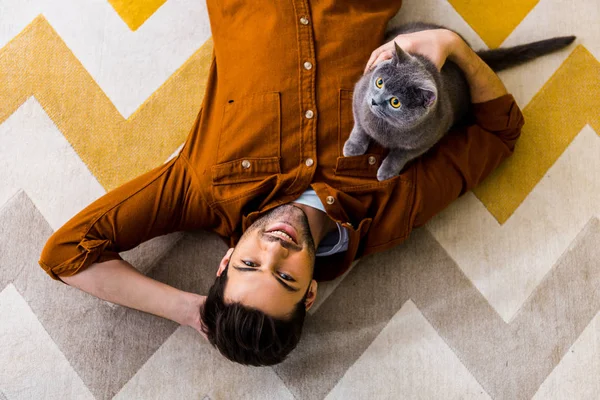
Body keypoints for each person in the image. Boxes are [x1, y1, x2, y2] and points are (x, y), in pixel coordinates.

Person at [39, 0, 524, 366]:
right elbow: (500, 131)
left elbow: (67, 252)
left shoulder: (202, 192)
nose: (275, 249)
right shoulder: (389, 210)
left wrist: (194, 312)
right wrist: (452, 46)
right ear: (310, 293)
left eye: (249, 265)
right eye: (286, 277)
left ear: (226, 260)